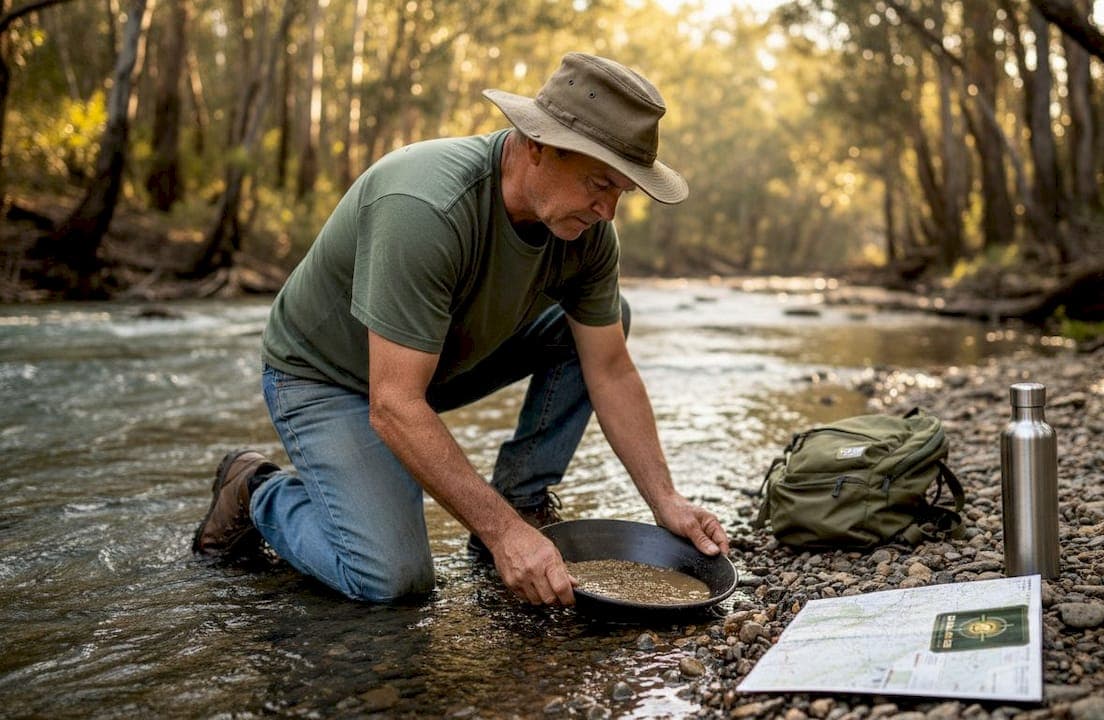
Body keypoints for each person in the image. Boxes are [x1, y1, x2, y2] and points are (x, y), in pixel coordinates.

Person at [191, 52, 730, 605]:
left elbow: (611, 370)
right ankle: (257, 489)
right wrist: (503, 536)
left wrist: (666, 501)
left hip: (430, 364)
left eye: (622, 191)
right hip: (327, 377)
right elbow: (394, 403)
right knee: (391, 580)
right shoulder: (424, 207)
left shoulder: (589, 235)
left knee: (607, 323)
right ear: (537, 146)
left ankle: (520, 500)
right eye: (599, 183)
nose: (608, 211)